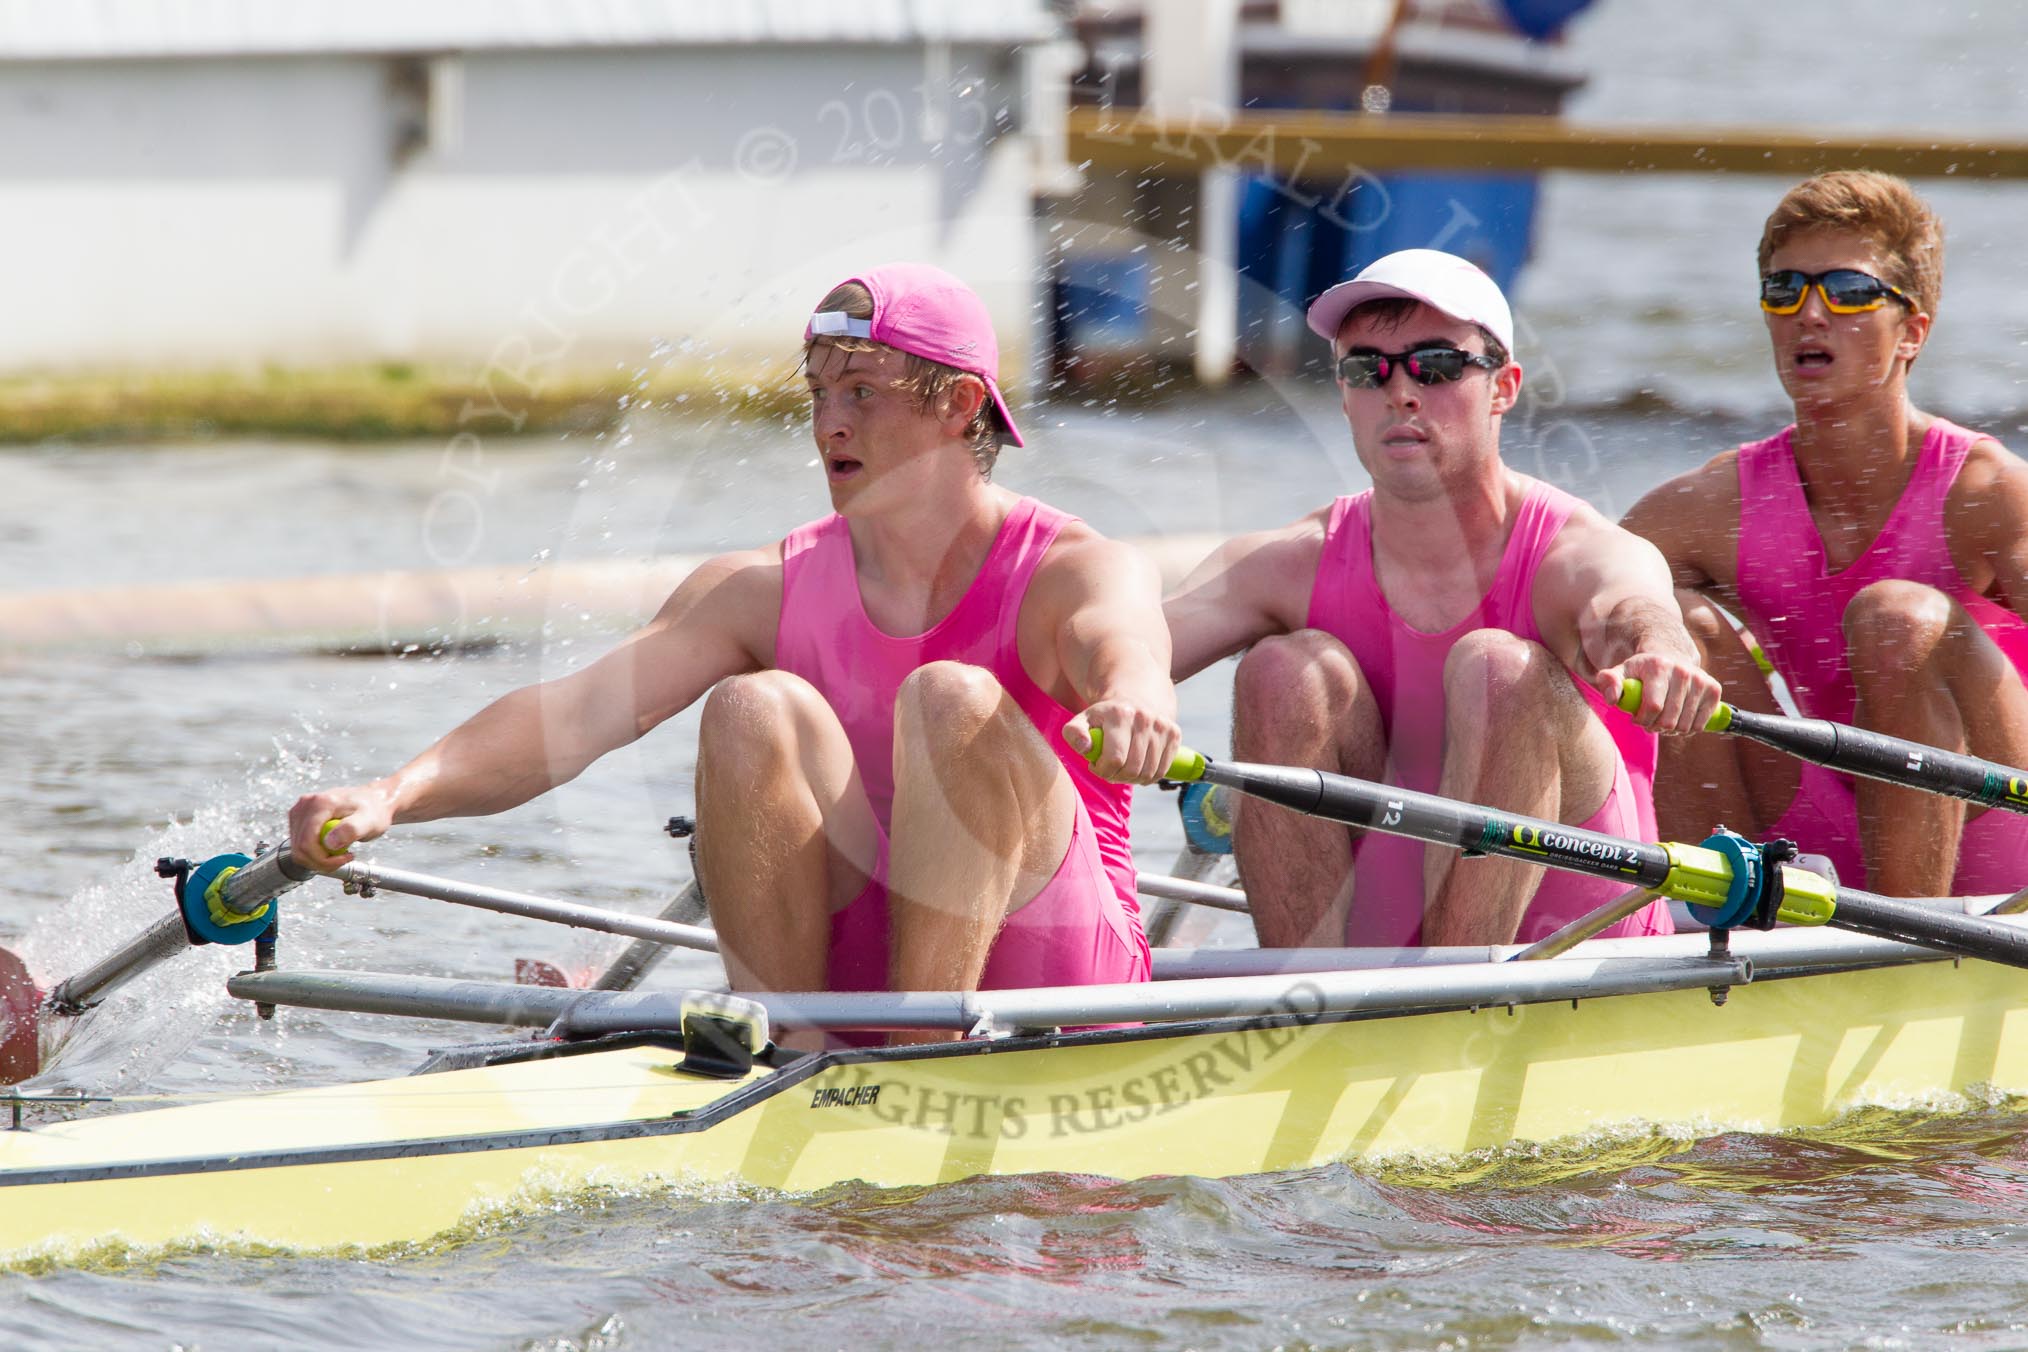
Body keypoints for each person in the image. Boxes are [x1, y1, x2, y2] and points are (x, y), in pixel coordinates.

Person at [288, 263, 1180, 1035]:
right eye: (820, 394)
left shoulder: (1073, 569)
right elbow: (575, 714)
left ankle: (915, 1062)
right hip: (858, 972)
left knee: (950, 696)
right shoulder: (759, 589)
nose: (830, 424)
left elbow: (1128, 646)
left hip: (1060, 976)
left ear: (960, 405)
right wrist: (390, 796)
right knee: (751, 707)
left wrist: (1138, 701)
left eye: (862, 393)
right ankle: (797, 1049)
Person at [1166, 249, 1717, 948]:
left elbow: (1635, 601)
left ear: (1504, 387)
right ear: (1344, 396)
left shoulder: (1569, 549)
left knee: (1497, 668)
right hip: (1375, 936)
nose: (1400, 391)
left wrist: (1661, 653)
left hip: (1573, 934)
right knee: (1284, 671)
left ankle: (1448, 1007)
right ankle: (1305, 1003)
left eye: (1438, 364)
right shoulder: (1286, 562)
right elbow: (1117, 653)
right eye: (1368, 369)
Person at [1622, 171, 2028, 897]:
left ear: (1912, 331)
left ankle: (1905, 960)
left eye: (1846, 290)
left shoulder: (1987, 491)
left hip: (1994, 824)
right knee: (1665, 621)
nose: (1810, 315)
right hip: (1820, 822)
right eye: (1785, 292)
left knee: (1896, 618)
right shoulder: (1720, 502)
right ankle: (1717, 925)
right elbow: (1560, 577)